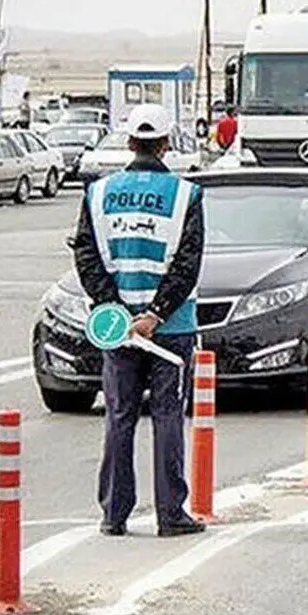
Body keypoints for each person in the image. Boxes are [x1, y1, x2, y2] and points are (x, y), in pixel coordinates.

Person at [71, 103, 207, 538]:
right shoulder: (188, 195)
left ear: (129, 142)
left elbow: (86, 256)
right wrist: (155, 315)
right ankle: (171, 515)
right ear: (166, 144)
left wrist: (115, 310)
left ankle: (114, 514)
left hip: (117, 330)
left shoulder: (98, 192)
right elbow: (188, 264)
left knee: (119, 416)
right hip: (171, 329)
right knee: (168, 416)